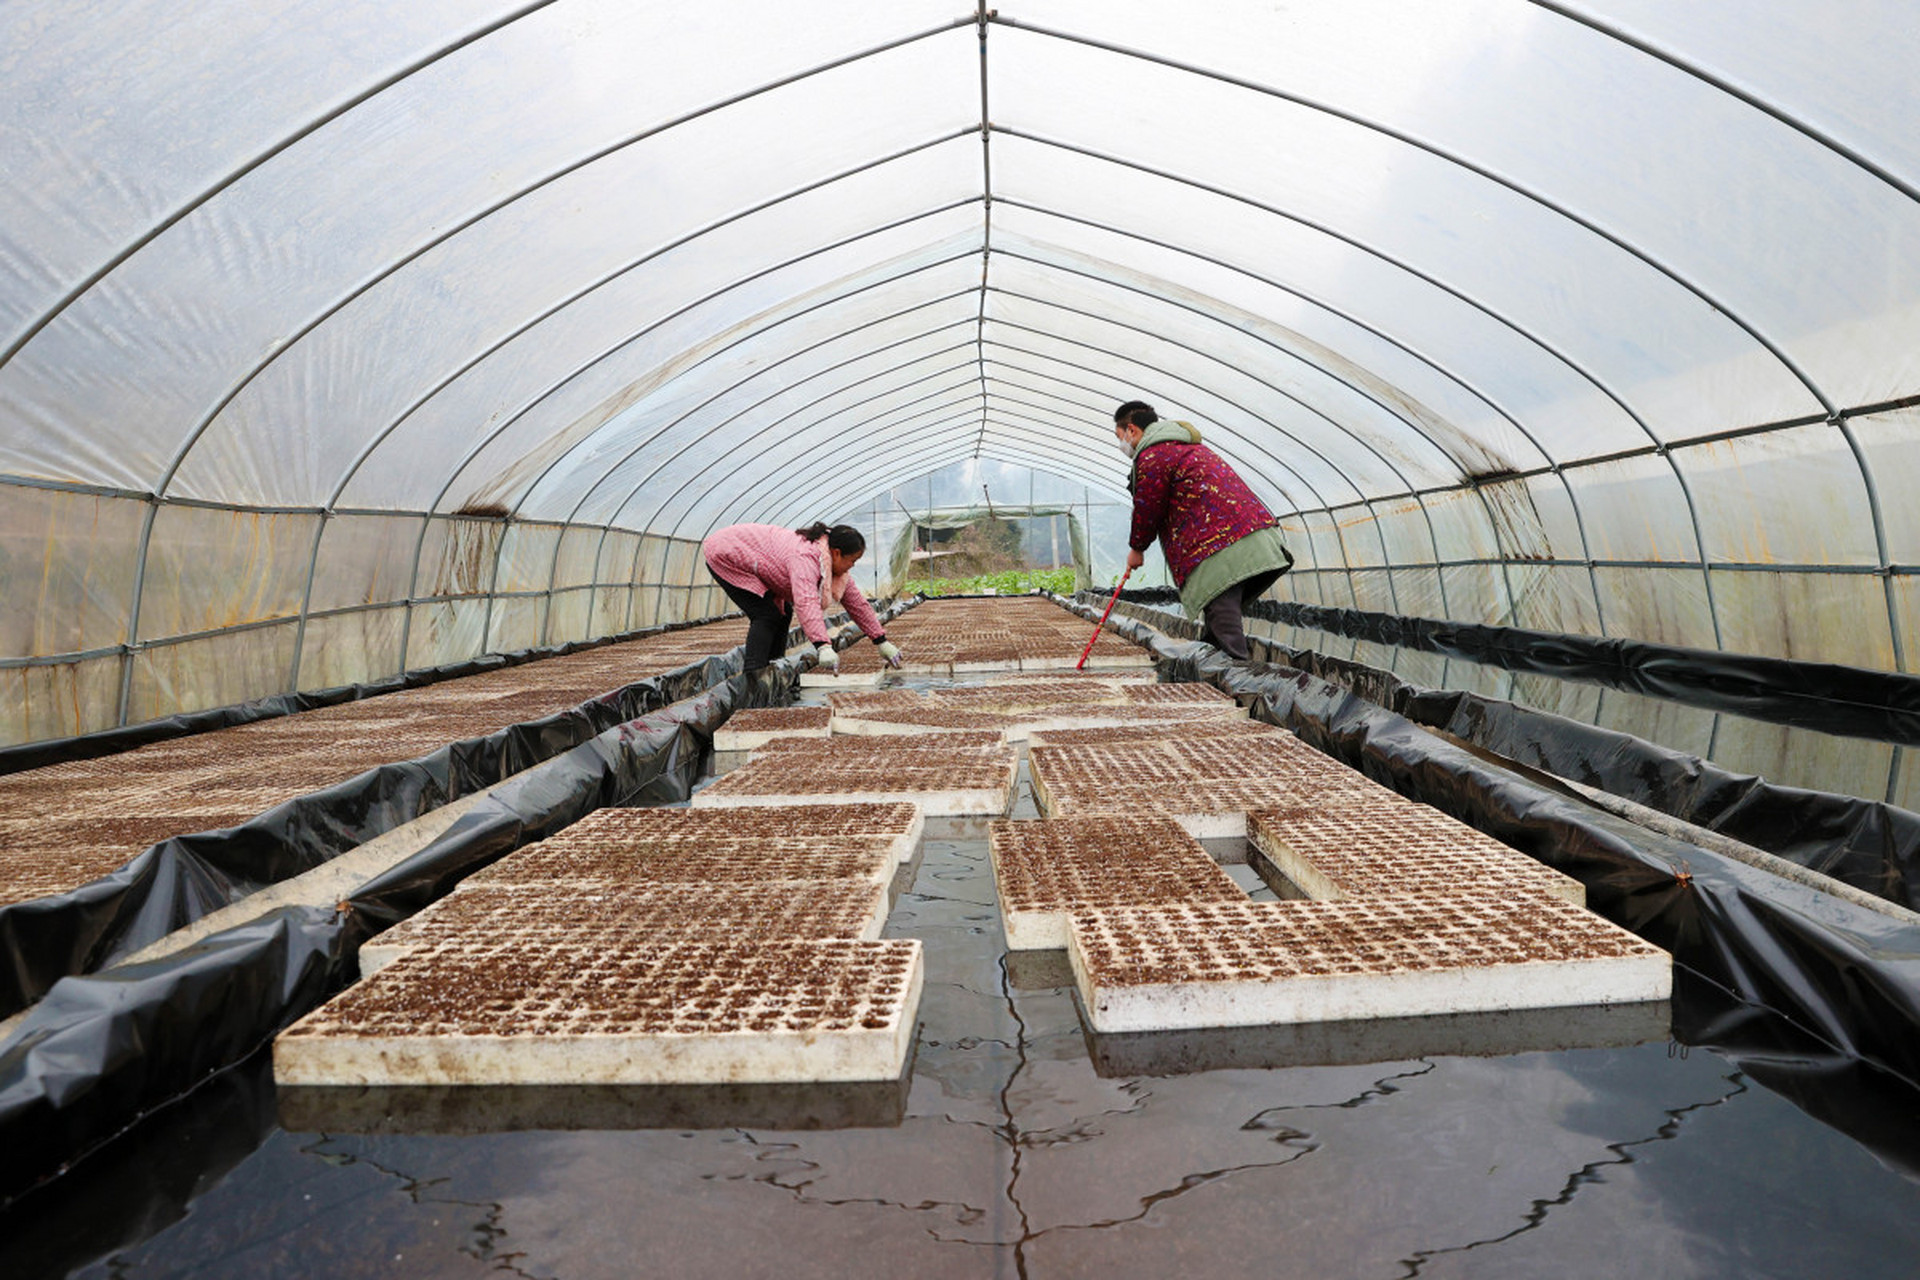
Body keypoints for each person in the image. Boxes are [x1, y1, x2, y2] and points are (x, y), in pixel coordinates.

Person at [1114, 400, 1293, 661]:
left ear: (1131, 430)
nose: (1121, 445)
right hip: (1248, 536)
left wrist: (1137, 548)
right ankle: (1217, 676)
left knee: (1222, 615)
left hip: (1220, 545)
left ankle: (1238, 678)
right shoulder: (1182, 447)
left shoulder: (1155, 453)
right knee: (1217, 616)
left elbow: (1148, 506)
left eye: (1120, 437)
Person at [701, 521, 904, 673]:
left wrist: (880, 640)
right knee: (766, 615)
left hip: (757, 559)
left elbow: (857, 604)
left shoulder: (834, 569)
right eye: (852, 560)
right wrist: (823, 646)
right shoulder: (805, 558)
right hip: (728, 553)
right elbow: (806, 603)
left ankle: (774, 667)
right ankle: (754, 674)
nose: (853, 566)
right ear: (836, 553)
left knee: (783, 612)